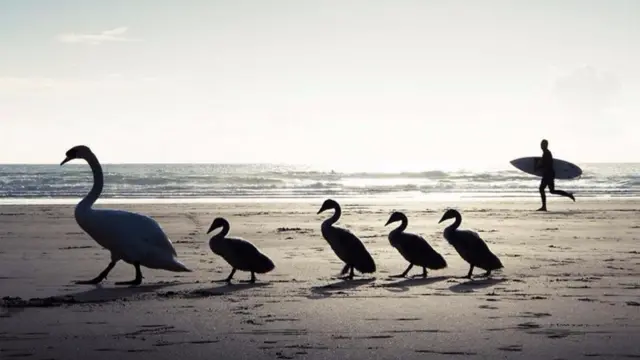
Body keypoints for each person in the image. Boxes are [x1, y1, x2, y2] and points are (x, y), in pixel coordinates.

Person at [535, 139, 575, 211]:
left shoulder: (546, 153)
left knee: (541, 189)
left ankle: (544, 207)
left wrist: (538, 166)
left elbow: (547, 164)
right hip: (550, 173)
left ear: (545, 145)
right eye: (541, 144)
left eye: (542, 144)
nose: (541, 146)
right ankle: (568, 194)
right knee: (552, 191)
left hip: (548, 174)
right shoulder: (546, 153)